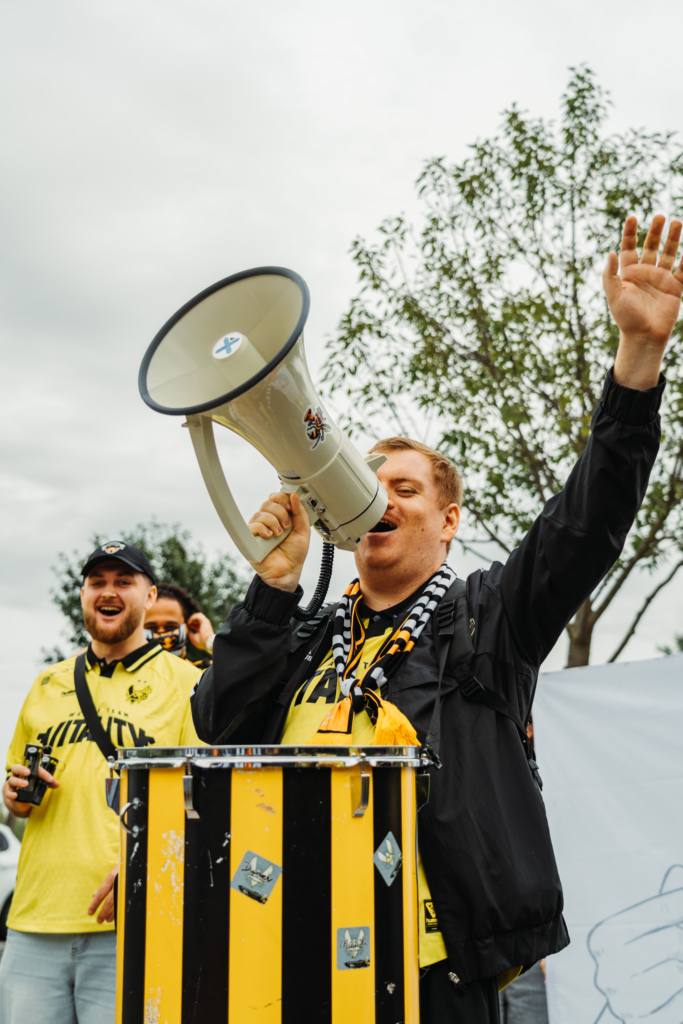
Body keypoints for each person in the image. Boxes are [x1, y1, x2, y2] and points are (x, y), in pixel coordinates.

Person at [190, 214, 683, 1023]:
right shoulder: (308, 631)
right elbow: (219, 725)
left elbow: (585, 523)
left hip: (429, 975)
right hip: (295, 957)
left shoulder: (485, 616)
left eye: (406, 490)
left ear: (449, 521)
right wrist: (273, 590)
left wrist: (637, 360)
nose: (381, 498)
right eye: (367, 481)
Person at [0, 541, 203, 1024]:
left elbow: (203, 799)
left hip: (133, 922)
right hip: (32, 922)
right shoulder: (47, 684)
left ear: (150, 596)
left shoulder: (188, 683)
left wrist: (147, 865)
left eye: (123, 582)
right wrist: (15, 796)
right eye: (97, 582)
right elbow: (16, 802)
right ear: (84, 594)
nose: (108, 592)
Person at [144, 581, 215, 665]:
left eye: (170, 627)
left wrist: (209, 640)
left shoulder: (203, 674)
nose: (161, 633)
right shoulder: (125, 674)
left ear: (186, 628)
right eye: (151, 627)